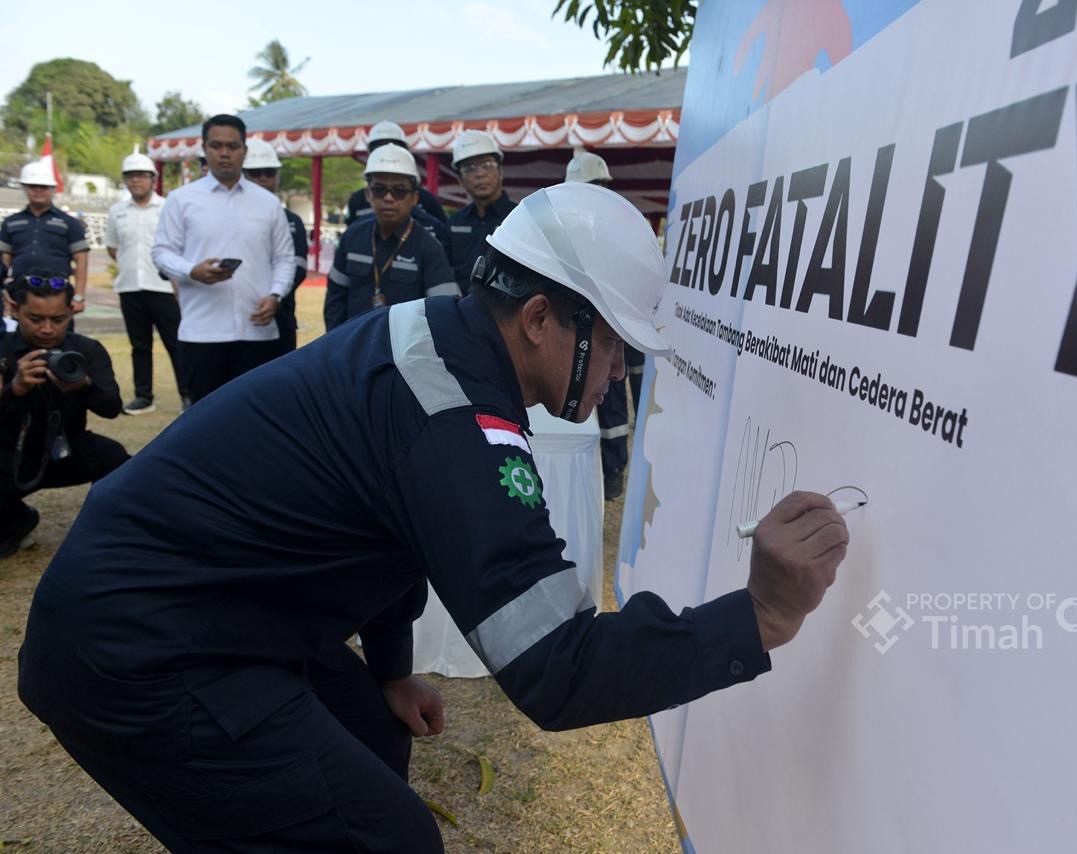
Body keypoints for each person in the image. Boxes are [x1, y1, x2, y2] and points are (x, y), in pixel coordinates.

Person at [17, 182, 849, 851]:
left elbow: (388, 519)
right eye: (614, 347)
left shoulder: (439, 337)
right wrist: (761, 616)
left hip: (193, 605)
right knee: (393, 841)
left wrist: (389, 667)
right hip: (140, 650)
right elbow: (557, 672)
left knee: (374, 734)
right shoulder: (457, 416)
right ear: (538, 317)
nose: (617, 376)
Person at [151, 115, 295, 402]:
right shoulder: (181, 199)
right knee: (204, 416)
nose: (224, 153)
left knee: (255, 415)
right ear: (204, 149)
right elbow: (161, 252)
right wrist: (191, 270)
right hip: (202, 332)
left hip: (257, 331)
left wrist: (276, 295)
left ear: (244, 150)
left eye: (232, 146)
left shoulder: (268, 203)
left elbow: (284, 258)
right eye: (216, 146)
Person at [0, 272, 127, 558]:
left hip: (67, 449)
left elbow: (111, 408)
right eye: (35, 319)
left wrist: (84, 386)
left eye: (58, 319)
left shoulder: (86, 349)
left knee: (116, 458)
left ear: (71, 311)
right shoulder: (3, 349)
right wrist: (15, 388)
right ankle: (17, 520)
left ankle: (113, 532)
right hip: (9, 454)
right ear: (15, 310)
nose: (47, 329)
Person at [564, 150, 645, 499]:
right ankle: (598, 469)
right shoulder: (565, 231)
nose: (595, 194)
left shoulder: (622, 227)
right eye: (588, 187)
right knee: (591, 395)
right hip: (585, 328)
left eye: (599, 187)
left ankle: (616, 469)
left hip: (622, 324)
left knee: (618, 398)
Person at [325, 146, 457, 331]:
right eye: (379, 189)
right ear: (368, 194)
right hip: (354, 344)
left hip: (404, 348)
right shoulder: (352, 237)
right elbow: (335, 299)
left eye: (399, 190)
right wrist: (336, 342)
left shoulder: (429, 248)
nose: (388, 198)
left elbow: (445, 314)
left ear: (414, 198)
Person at [105, 147, 192, 414]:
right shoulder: (117, 211)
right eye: (130, 176)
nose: (136, 180)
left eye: (142, 175)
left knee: (176, 343)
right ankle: (144, 396)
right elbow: (113, 247)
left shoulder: (167, 207)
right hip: (130, 286)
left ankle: (188, 395)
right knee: (139, 346)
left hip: (163, 287)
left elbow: (180, 246)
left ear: (153, 179)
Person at [241, 139, 308, 354]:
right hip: (239, 316)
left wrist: (274, 296)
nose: (263, 179)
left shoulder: (292, 221)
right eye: (255, 173)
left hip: (281, 315)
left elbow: (298, 268)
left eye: (269, 173)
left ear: (277, 177)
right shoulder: (229, 218)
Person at [0, 161, 90, 316]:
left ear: (53, 189)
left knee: (58, 330)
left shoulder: (69, 223)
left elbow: (81, 261)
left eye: (43, 187)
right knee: (17, 331)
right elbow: (4, 261)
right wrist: (2, 291)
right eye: (33, 186)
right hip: (20, 294)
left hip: (58, 292)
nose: (38, 190)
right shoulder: (11, 222)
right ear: (25, 188)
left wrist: (79, 297)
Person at [345, 120, 448, 233]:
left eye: (400, 191)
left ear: (414, 198)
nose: (388, 151)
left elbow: (442, 233)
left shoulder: (426, 200)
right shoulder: (357, 201)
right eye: (379, 147)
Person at [445, 129, 515, 288]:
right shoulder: (454, 223)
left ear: (500, 171)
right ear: (460, 179)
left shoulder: (518, 218)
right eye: (469, 168)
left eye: (487, 165)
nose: (480, 174)